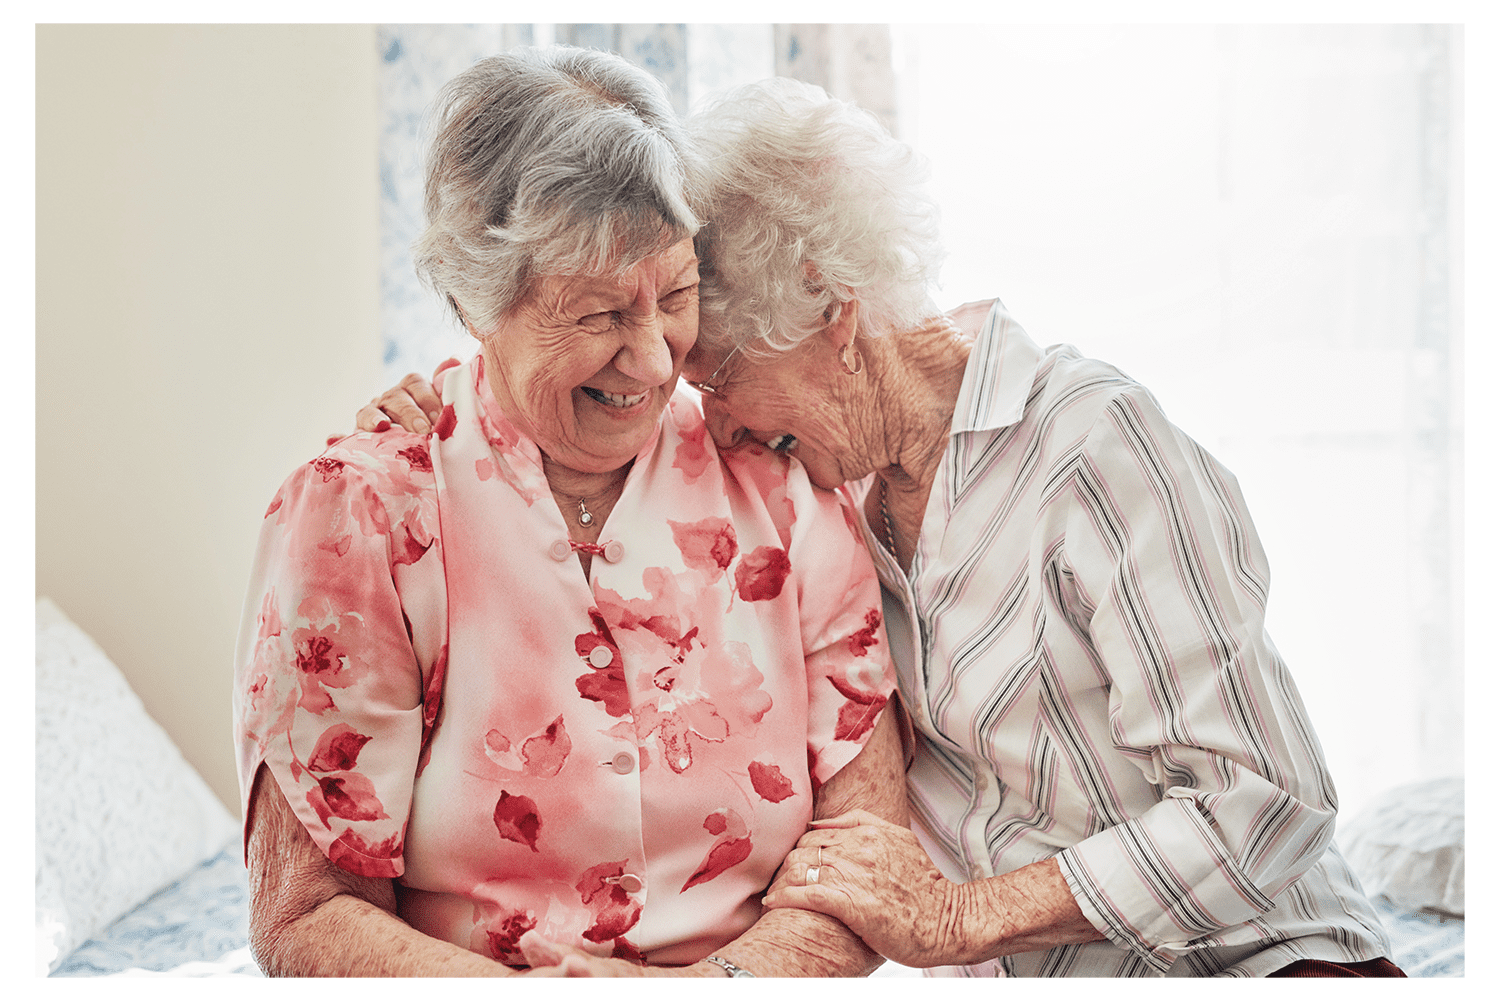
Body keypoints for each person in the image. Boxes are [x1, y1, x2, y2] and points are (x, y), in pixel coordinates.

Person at [366, 76, 1402, 978]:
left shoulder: (1091, 444)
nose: (708, 417)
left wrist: (960, 916)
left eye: (717, 373)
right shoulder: (820, 494)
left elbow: (1271, 798)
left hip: (1260, 956)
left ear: (833, 315)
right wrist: (449, 419)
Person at [234, 49, 904, 978]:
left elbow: (867, 851)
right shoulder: (365, 515)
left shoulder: (779, 489)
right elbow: (306, 914)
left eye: (673, 297)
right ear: (478, 301)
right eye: (596, 315)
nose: (653, 361)